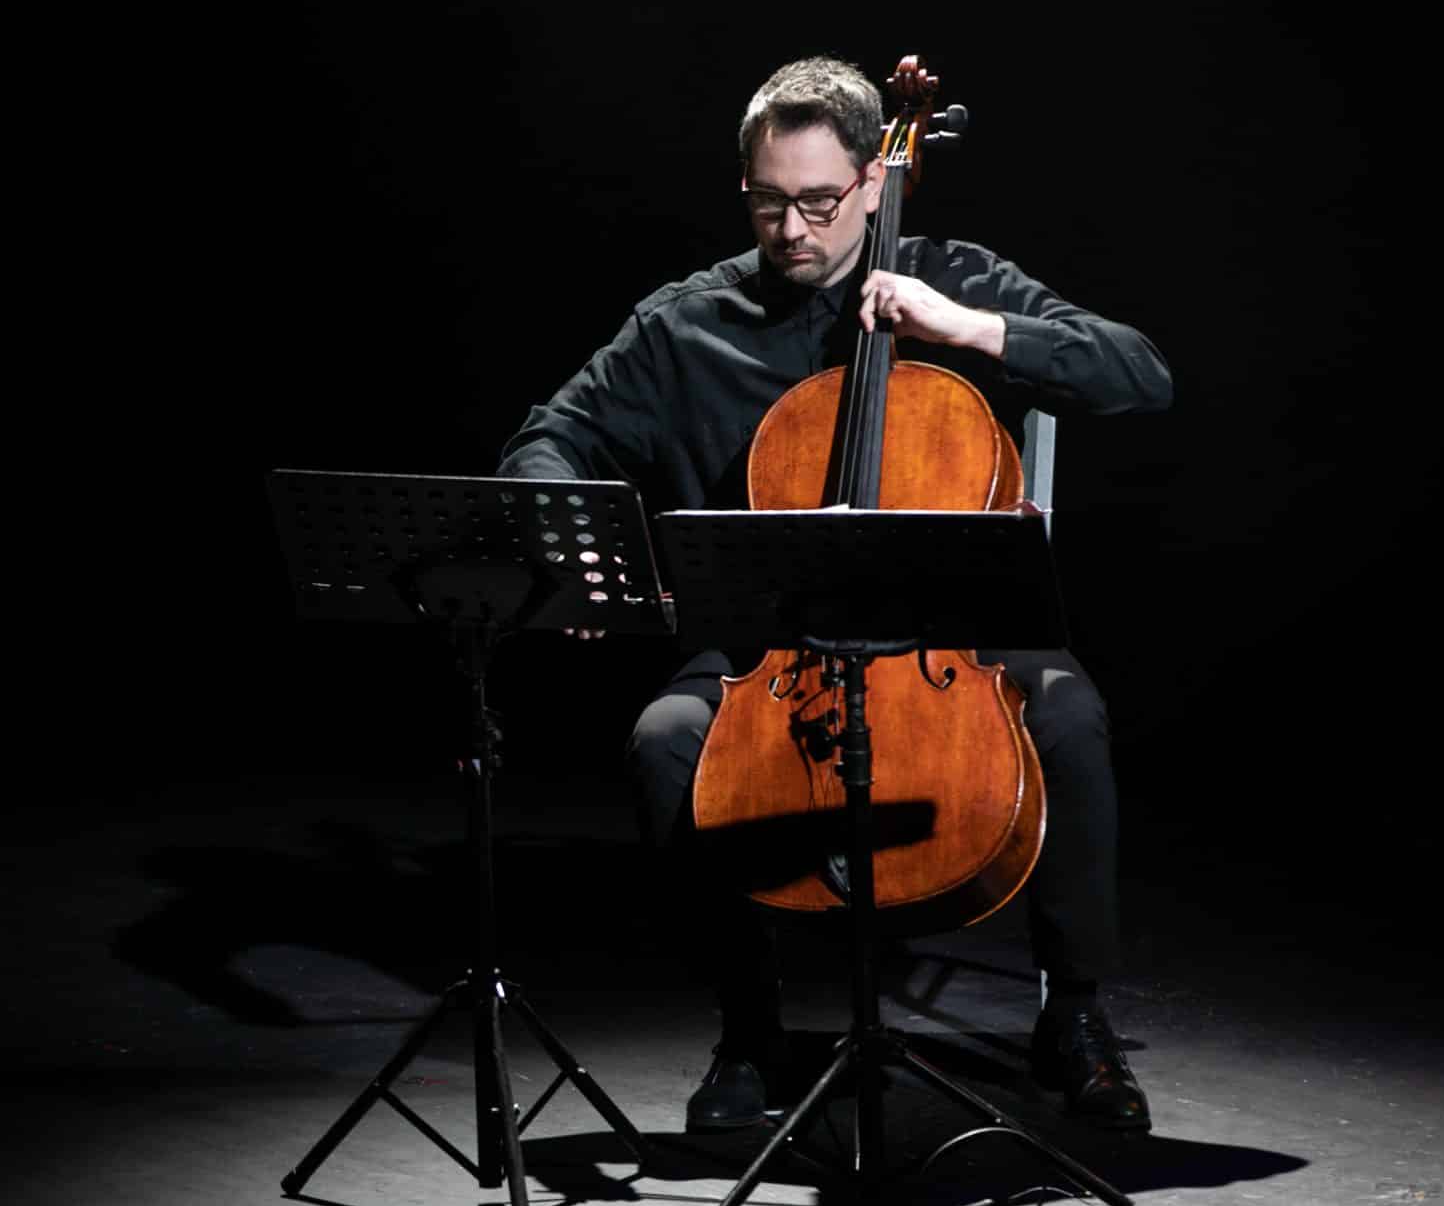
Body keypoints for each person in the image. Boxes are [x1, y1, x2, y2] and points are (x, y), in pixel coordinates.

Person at [495, 55, 1173, 1133]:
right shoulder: (687, 322)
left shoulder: (949, 277)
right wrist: (567, 545)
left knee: (1069, 714)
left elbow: (1138, 373)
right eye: (768, 202)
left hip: (950, 637)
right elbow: (551, 437)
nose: (792, 229)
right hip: (769, 645)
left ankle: (1074, 1013)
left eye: (818, 202)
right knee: (665, 738)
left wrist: (966, 327)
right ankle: (748, 1028)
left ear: (871, 180)